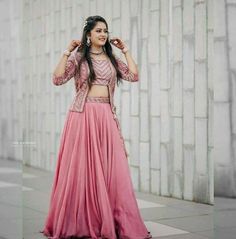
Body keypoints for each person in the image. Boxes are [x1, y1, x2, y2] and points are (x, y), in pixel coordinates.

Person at [40, 15, 152, 239]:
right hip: (82, 116)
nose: (103, 34)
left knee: (113, 169)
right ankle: (81, 222)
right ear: (89, 34)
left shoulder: (112, 59)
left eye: (105, 31)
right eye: (98, 30)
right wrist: (67, 52)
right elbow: (58, 78)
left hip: (105, 116)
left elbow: (134, 75)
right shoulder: (80, 57)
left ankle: (111, 220)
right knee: (83, 169)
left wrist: (126, 50)